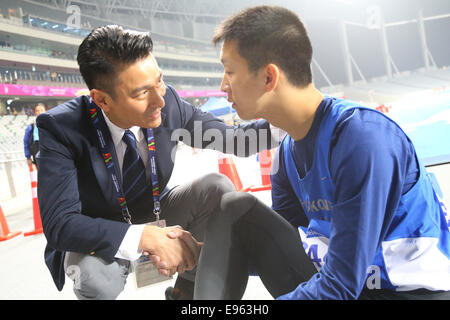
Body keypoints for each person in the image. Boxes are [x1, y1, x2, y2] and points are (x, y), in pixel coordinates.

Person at [193, 6, 450, 300]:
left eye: (229, 71)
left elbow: (339, 286)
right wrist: (212, 252)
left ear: (268, 78)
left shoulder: (363, 140)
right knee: (233, 211)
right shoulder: (287, 153)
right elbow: (280, 249)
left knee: (236, 210)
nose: (222, 86)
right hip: (350, 286)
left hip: (406, 294)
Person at [36, 25, 278, 300]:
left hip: (155, 210)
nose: (159, 100)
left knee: (217, 187)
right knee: (94, 278)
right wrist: (142, 237)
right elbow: (60, 224)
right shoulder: (62, 128)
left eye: (159, 82)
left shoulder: (169, 103)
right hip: (101, 230)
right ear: (102, 99)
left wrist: (296, 118)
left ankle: (186, 292)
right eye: (141, 93)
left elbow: (235, 139)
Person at [23, 103, 46, 168]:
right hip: (37, 155)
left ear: (45, 111)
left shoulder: (50, 125)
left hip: (50, 155)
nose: (39, 112)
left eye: (41, 110)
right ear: (35, 113)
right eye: (37, 111)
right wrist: (28, 157)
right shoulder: (31, 127)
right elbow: (26, 142)